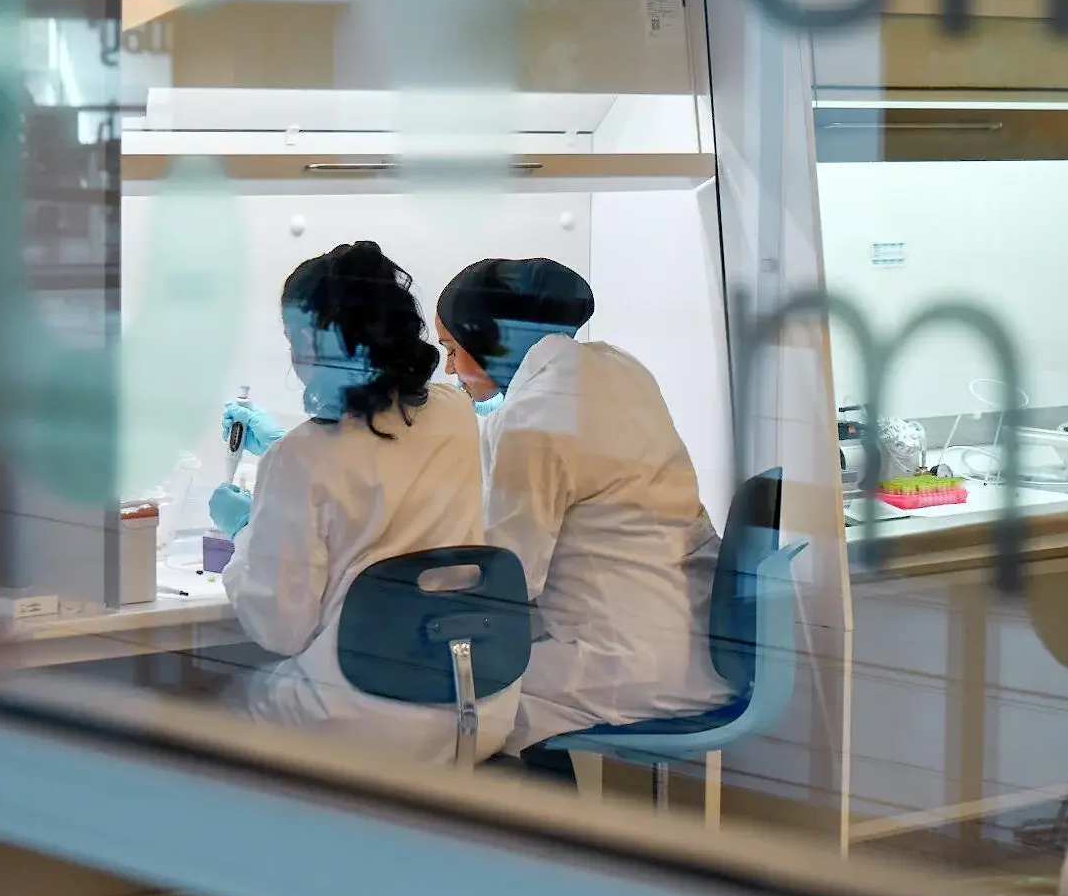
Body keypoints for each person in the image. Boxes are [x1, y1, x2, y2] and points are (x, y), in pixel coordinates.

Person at [210, 240, 514, 763]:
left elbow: (281, 628)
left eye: (293, 338)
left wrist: (243, 535)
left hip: (364, 716)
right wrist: (286, 454)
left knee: (202, 714)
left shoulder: (303, 458)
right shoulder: (453, 414)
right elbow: (380, 464)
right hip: (473, 703)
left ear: (310, 340)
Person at [433, 258, 732, 761]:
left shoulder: (532, 419)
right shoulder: (618, 366)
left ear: (489, 340)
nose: (448, 369)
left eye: (452, 349)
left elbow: (511, 578)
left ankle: (530, 840)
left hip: (625, 663)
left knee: (440, 702)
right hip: (696, 642)